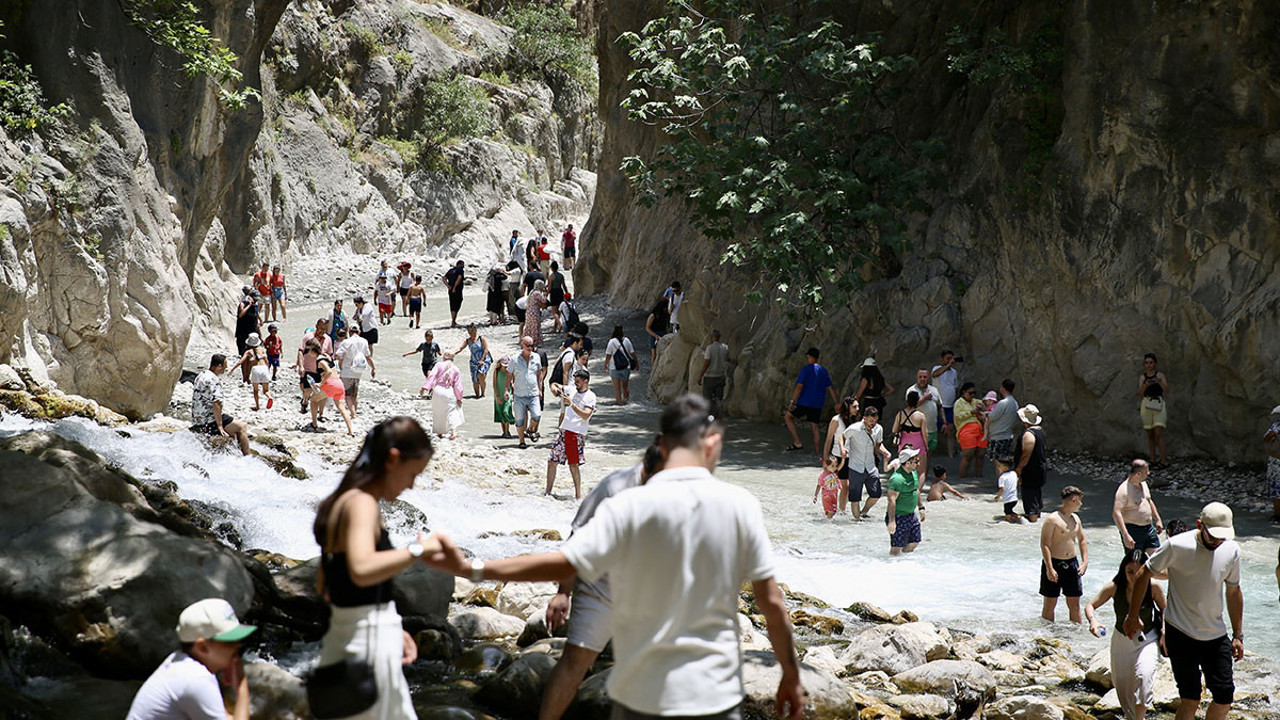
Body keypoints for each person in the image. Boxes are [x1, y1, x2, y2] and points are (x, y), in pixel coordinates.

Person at [423, 395, 805, 720]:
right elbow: (771, 603)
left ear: (663, 445)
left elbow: (563, 561)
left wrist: (473, 568)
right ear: (713, 442)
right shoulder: (741, 505)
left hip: (641, 697)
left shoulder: (628, 506)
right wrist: (790, 673)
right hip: (716, 695)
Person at [313, 417, 440, 720]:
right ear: (393, 459)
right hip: (368, 651)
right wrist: (419, 549)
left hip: (348, 641)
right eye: (413, 474)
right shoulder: (362, 505)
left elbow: (325, 587)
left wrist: (390, 623)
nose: (411, 485)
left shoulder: (343, 501)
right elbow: (361, 568)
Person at [539, 442, 665, 720]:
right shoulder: (614, 488)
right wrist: (563, 593)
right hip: (600, 585)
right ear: (646, 469)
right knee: (575, 662)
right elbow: (577, 542)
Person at [1124, 503, 1243, 720]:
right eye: (1213, 536)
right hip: (1180, 633)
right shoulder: (1176, 545)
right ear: (1200, 525)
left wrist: (1238, 635)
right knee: (1190, 699)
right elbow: (1143, 574)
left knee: (1224, 698)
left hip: (1215, 634)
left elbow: (1233, 592)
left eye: (1222, 537)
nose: (1217, 542)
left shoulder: (1231, 550)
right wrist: (1133, 617)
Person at [124, 598, 256, 720]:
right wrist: (241, 686)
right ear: (203, 647)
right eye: (229, 641)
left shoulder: (182, 662)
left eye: (239, 639)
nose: (238, 644)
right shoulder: (195, 679)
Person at [1085, 550, 1168, 720]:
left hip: (1147, 639)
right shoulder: (1114, 587)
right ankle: (1130, 716)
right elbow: (1090, 606)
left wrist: (1165, 631)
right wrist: (1093, 621)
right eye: (1130, 571)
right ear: (1123, 569)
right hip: (1121, 641)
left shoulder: (1153, 586)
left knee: (1144, 677)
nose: (1135, 576)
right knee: (1122, 687)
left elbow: (1165, 609)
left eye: (1139, 571)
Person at [1039, 486, 1089, 623]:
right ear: (1073, 500)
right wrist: (1050, 568)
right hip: (1054, 563)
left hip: (1072, 564)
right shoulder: (1052, 519)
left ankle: (1076, 637)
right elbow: (1045, 544)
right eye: (1080, 501)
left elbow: (1082, 540)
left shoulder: (1076, 519)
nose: (1081, 504)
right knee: (1050, 604)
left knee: (1074, 604)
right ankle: (1046, 637)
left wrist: (1084, 562)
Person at [546, 370, 597, 499]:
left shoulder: (590, 396)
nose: (575, 384)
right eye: (574, 381)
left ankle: (578, 496)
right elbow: (555, 384)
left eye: (578, 382)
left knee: (573, 465)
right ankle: (548, 493)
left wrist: (572, 404)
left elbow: (585, 415)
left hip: (576, 433)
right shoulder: (572, 390)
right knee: (552, 461)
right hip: (563, 431)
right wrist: (556, 391)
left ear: (586, 381)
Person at [191, 354, 251, 456]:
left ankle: (232, 454)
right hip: (209, 420)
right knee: (242, 427)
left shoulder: (201, 375)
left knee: (233, 432)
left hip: (197, 419)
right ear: (219, 366)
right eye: (225, 365)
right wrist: (220, 426)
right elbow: (217, 403)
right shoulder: (213, 380)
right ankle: (248, 458)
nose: (226, 368)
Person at [841, 405, 893, 520]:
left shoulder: (879, 429)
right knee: (855, 498)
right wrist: (843, 449)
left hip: (870, 466)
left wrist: (886, 453)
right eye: (870, 421)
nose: (872, 424)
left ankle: (863, 512)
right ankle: (857, 521)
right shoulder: (854, 428)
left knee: (876, 494)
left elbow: (878, 444)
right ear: (864, 418)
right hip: (855, 466)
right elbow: (842, 436)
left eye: (875, 421)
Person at [784, 347, 838, 455]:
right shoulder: (823, 371)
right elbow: (831, 388)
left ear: (809, 357)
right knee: (815, 427)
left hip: (804, 402)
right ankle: (817, 452)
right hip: (817, 404)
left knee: (788, 417)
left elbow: (799, 387)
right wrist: (836, 403)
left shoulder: (806, 369)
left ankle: (797, 442)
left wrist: (792, 401)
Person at [1113, 459, 1165, 554]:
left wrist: (1157, 519)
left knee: (1158, 560)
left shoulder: (1144, 484)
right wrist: (1125, 535)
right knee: (1136, 564)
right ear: (1138, 474)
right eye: (1146, 471)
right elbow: (1116, 513)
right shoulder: (1124, 490)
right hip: (1133, 531)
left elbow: (1148, 500)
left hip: (1149, 528)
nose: (1148, 473)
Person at [884, 447, 926, 555]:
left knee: (915, 541)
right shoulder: (897, 479)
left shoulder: (913, 473)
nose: (918, 463)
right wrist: (892, 521)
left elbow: (916, 491)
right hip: (898, 517)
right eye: (916, 461)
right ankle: (891, 566)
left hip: (911, 515)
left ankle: (904, 562)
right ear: (907, 463)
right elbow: (891, 501)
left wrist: (921, 507)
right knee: (896, 547)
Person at [822, 398, 858, 514]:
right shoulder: (836, 420)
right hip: (837, 457)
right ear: (847, 407)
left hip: (851, 457)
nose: (857, 409)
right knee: (841, 485)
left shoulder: (855, 420)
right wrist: (825, 459)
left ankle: (841, 509)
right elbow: (828, 440)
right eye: (855, 407)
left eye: (858, 406)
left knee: (848, 486)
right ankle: (838, 510)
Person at [1014, 403, 1047, 521]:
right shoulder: (1040, 431)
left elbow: (1026, 454)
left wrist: (1019, 469)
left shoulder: (1029, 434)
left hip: (1030, 470)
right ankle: (1037, 515)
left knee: (1029, 495)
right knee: (1036, 494)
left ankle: (1032, 519)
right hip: (1040, 468)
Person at [508, 336, 543, 448]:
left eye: (532, 345)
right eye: (527, 345)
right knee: (519, 419)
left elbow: (539, 374)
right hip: (519, 394)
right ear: (522, 345)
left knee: (537, 415)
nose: (530, 348)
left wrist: (540, 389)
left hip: (533, 393)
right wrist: (506, 390)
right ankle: (521, 441)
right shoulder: (514, 359)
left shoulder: (536, 357)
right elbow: (509, 374)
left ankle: (530, 429)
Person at [422, 353, 465, 440]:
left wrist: (425, 387)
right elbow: (458, 386)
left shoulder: (438, 365)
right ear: (453, 359)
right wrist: (459, 398)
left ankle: (440, 432)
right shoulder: (456, 369)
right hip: (449, 390)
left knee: (438, 410)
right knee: (452, 410)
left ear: (444, 358)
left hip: (438, 390)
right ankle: (453, 432)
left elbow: (432, 376)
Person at [335, 326, 376, 417]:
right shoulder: (364, 341)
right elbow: (368, 357)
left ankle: (353, 413)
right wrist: (373, 368)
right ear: (359, 332)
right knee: (354, 393)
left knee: (347, 394)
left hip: (347, 370)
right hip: (359, 370)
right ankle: (355, 411)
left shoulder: (346, 342)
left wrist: (340, 366)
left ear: (349, 331)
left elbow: (339, 355)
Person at [227, 333, 273, 411]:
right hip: (264, 368)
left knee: (255, 390)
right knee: (266, 390)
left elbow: (240, 362)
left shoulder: (248, 352)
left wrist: (232, 370)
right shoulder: (262, 349)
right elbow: (267, 361)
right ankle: (270, 397)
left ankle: (257, 406)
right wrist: (268, 370)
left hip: (256, 369)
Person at [1138, 353, 1169, 468]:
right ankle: (1152, 459)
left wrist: (1159, 382)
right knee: (1150, 433)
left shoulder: (1160, 375)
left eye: (1151, 362)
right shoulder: (1142, 377)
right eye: (1146, 363)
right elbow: (1140, 394)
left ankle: (1164, 460)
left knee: (1158, 432)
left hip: (1159, 403)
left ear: (1154, 363)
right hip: (1147, 404)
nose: (1149, 365)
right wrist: (1145, 385)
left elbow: (1166, 390)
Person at [312, 356, 355, 436]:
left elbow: (328, 372)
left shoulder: (320, 361)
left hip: (330, 384)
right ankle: (350, 431)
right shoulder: (328, 358)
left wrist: (320, 384)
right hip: (339, 384)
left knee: (313, 400)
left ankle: (314, 424)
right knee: (342, 409)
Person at [296, 322, 332, 414]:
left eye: (325, 329)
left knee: (321, 393)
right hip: (308, 368)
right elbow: (301, 351)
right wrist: (300, 366)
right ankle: (304, 402)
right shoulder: (308, 337)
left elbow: (330, 354)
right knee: (307, 390)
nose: (323, 331)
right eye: (321, 328)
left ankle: (320, 414)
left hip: (321, 371)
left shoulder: (328, 339)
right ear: (316, 326)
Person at [954, 382, 988, 478]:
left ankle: (978, 475)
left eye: (974, 393)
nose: (972, 395)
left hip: (981, 429)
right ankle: (962, 476)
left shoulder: (976, 401)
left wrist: (983, 408)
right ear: (964, 392)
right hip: (966, 429)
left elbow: (986, 410)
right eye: (970, 393)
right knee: (968, 455)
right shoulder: (959, 403)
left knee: (981, 454)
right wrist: (971, 412)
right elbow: (957, 416)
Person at [906, 369, 942, 455]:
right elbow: (910, 407)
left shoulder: (934, 390)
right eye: (920, 377)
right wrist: (924, 398)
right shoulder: (911, 390)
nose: (922, 379)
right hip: (917, 430)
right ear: (917, 378)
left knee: (928, 454)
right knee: (917, 455)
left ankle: (926, 469)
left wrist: (944, 422)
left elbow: (940, 406)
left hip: (932, 429)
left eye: (925, 377)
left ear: (928, 378)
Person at [931, 350, 960, 457]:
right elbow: (935, 374)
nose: (950, 361)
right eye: (948, 358)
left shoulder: (954, 372)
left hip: (950, 405)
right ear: (942, 359)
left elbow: (955, 387)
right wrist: (947, 365)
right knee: (933, 428)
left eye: (952, 358)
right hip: (938, 405)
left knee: (951, 430)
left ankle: (951, 454)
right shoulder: (936, 368)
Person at [891, 390, 930, 469]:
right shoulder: (921, 416)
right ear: (917, 401)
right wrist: (926, 446)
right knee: (921, 471)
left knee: (905, 469)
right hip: (918, 443)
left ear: (907, 401)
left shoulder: (901, 414)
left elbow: (894, 430)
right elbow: (925, 433)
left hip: (904, 443)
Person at [697, 329, 730, 416]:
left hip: (710, 377)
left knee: (707, 400)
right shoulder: (725, 347)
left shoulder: (710, 348)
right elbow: (727, 359)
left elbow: (706, 363)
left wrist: (700, 375)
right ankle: (717, 416)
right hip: (721, 376)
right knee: (718, 399)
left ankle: (708, 418)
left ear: (713, 337)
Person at [454, 323, 491, 399]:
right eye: (468, 332)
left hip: (484, 360)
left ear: (475, 330)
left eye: (471, 331)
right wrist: (453, 353)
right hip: (473, 362)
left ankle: (483, 394)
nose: (470, 333)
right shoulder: (468, 341)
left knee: (481, 374)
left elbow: (486, 349)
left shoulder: (481, 339)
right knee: (475, 380)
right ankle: (477, 395)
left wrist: (482, 360)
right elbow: (460, 348)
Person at [986, 379, 1019, 463]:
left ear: (1002, 389)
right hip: (1007, 436)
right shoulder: (1015, 403)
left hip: (998, 437)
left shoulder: (1003, 403)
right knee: (1003, 462)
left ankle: (1000, 476)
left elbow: (991, 418)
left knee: (998, 463)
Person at [603, 325, 636, 406]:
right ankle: (626, 401)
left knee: (617, 388)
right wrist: (637, 363)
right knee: (625, 385)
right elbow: (633, 353)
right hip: (626, 367)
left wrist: (606, 364)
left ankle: (619, 403)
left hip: (614, 367)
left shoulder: (611, 341)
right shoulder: (627, 340)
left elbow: (608, 355)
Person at [234, 289, 261, 384]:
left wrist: (260, 335)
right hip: (242, 334)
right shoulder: (243, 304)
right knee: (243, 356)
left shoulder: (256, 306)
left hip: (252, 335)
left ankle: (247, 376)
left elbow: (257, 320)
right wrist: (249, 305)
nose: (256, 301)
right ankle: (244, 376)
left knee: (251, 356)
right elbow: (240, 315)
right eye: (255, 299)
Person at [1262, 405, 1280, 522]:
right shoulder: (1277, 425)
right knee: (1276, 489)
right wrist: (1274, 433)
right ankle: (1277, 514)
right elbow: (1266, 438)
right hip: (1276, 463)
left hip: (1276, 462)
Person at [492, 355, 515, 439]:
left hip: (507, 394)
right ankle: (505, 432)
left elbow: (512, 381)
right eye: (504, 365)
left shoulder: (510, 371)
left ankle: (508, 429)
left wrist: (513, 389)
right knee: (501, 413)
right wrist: (497, 396)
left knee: (506, 411)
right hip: (498, 393)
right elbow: (494, 384)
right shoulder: (496, 371)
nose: (506, 367)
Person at [522, 279, 549, 349]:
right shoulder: (537, 293)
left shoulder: (532, 292)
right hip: (534, 311)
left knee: (529, 326)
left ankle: (526, 341)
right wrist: (545, 293)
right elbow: (544, 300)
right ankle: (535, 342)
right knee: (535, 326)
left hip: (529, 311)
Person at [813, 455, 842, 519]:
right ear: (826, 465)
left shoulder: (835, 473)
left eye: (836, 466)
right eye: (832, 466)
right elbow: (819, 485)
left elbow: (841, 466)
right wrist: (815, 496)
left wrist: (844, 459)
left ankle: (828, 522)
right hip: (826, 495)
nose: (834, 468)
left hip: (834, 494)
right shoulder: (823, 475)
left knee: (833, 511)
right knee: (830, 511)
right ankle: (828, 525)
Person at [644, 297, 670, 367]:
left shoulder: (665, 315)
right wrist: (655, 335)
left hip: (663, 333)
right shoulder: (653, 315)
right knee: (654, 354)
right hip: (654, 334)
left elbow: (667, 326)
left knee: (663, 353)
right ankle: (653, 369)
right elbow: (647, 328)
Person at [994, 457, 1019, 523]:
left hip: (1008, 500)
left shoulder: (1002, 477)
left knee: (1007, 513)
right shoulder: (1014, 473)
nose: (998, 468)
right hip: (1015, 498)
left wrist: (998, 497)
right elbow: (1018, 482)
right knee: (1010, 511)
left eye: (999, 466)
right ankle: (1019, 518)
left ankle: (1010, 522)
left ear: (1005, 468)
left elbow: (1002, 488)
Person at [444, 260, 465, 328]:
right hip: (457, 290)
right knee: (458, 302)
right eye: (463, 264)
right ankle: (453, 321)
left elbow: (444, 278)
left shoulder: (450, 270)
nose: (464, 266)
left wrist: (448, 286)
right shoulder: (460, 270)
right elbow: (459, 278)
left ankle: (453, 321)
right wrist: (454, 287)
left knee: (452, 304)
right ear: (460, 264)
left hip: (450, 290)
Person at [548, 261, 567, 332]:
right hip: (560, 291)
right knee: (558, 311)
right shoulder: (561, 275)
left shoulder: (551, 276)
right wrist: (566, 293)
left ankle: (560, 324)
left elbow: (549, 287)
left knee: (554, 312)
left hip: (554, 292)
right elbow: (564, 285)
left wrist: (546, 293)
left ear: (552, 268)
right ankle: (554, 329)